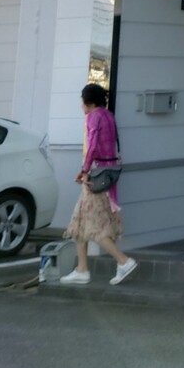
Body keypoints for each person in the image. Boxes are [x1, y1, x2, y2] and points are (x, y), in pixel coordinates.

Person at [59, 83, 137, 286]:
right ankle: (82, 269)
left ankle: (123, 261)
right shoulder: (109, 115)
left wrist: (84, 170)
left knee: (94, 226)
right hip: (108, 175)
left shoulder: (93, 117)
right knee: (79, 222)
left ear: (89, 102)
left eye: (82, 101)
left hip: (95, 176)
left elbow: (92, 146)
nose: (81, 105)